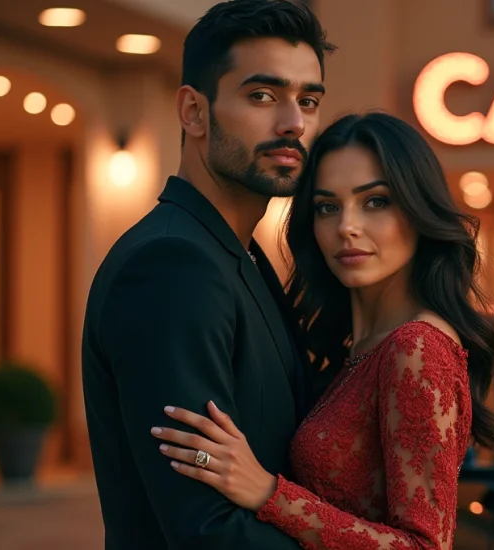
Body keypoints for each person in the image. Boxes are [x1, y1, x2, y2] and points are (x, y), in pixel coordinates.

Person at [150, 112, 494, 549]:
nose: (346, 227)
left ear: (417, 211)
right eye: (327, 206)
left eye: (375, 201)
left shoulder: (417, 348)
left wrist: (269, 493)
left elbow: (425, 546)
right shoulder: (358, 347)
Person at [80, 1, 335, 548]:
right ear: (194, 112)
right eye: (262, 96)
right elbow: (206, 527)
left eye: (308, 100)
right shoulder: (173, 267)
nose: (294, 122)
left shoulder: (239, 255)